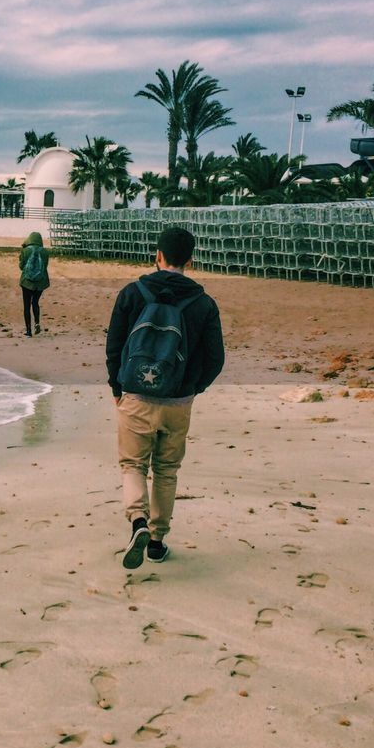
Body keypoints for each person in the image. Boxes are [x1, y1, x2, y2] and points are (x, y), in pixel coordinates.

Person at [105, 226, 224, 569]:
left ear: (157, 255)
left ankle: (137, 521)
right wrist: (191, 389)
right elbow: (215, 358)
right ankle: (157, 542)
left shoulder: (131, 293)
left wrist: (117, 387)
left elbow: (114, 345)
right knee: (167, 469)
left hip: (136, 395)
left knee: (133, 465)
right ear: (191, 260)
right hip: (178, 402)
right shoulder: (203, 303)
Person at [18, 231, 50, 336]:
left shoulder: (25, 251)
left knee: (26, 306)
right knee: (35, 303)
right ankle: (37, 323)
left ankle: (28, 331)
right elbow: (44, 267)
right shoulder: (45, 252)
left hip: (27, 282)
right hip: (40, 283)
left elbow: (22, 267)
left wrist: (22, 252)